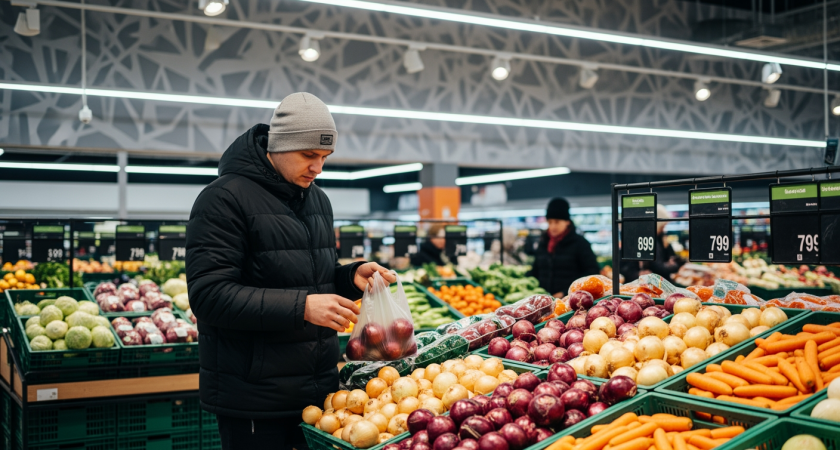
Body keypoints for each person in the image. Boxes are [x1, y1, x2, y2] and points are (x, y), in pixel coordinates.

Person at [186, 92, 396, 450]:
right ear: (279, 145)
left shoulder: (318, 200)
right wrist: (302, 307)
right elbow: (209, 296)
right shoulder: (223, 199)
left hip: (320, 396)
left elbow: (313, 276)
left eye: (325, 157)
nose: (318, 168)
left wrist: (349, 277)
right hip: (254, 399)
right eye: (309, 155)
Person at [529, 198, 600, 297]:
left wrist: (565, 292)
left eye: (557, 222)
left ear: (567, 221)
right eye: (550, 222)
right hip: (544, 301)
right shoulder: (543, 243)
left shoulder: (580, 244)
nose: (552, 226)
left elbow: (591, 273)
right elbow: (536, 271)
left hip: (571, 301)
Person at [649, 204, 683, 280]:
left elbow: (671, 255)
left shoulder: (662, 237)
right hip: (656, 282)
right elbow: (658, 267)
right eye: (663, 225)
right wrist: (673, 265)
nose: (664, 227)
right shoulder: (652, 240)